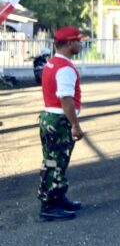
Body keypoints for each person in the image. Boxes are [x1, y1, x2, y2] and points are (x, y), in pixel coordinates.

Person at [37, 26, 87, 220]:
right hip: (59, 120)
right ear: (68, 43)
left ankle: (57, 197)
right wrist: (75, 124)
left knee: (51, 160)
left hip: (49, 116)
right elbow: (66, 99)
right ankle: (50, 206)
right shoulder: (65, 68)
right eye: (78, 41)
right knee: (57, 163)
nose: (81, 44)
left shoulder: (52, 63)